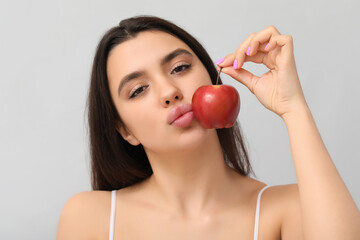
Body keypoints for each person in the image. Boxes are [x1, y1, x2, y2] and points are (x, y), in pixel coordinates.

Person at [56, 16, 360, 240]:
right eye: (138, 90)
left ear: (212, 76)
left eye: (180, 68)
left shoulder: (284, 210)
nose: (169, 91)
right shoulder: (89, 218)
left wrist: (293, 108)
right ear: (125, 131)